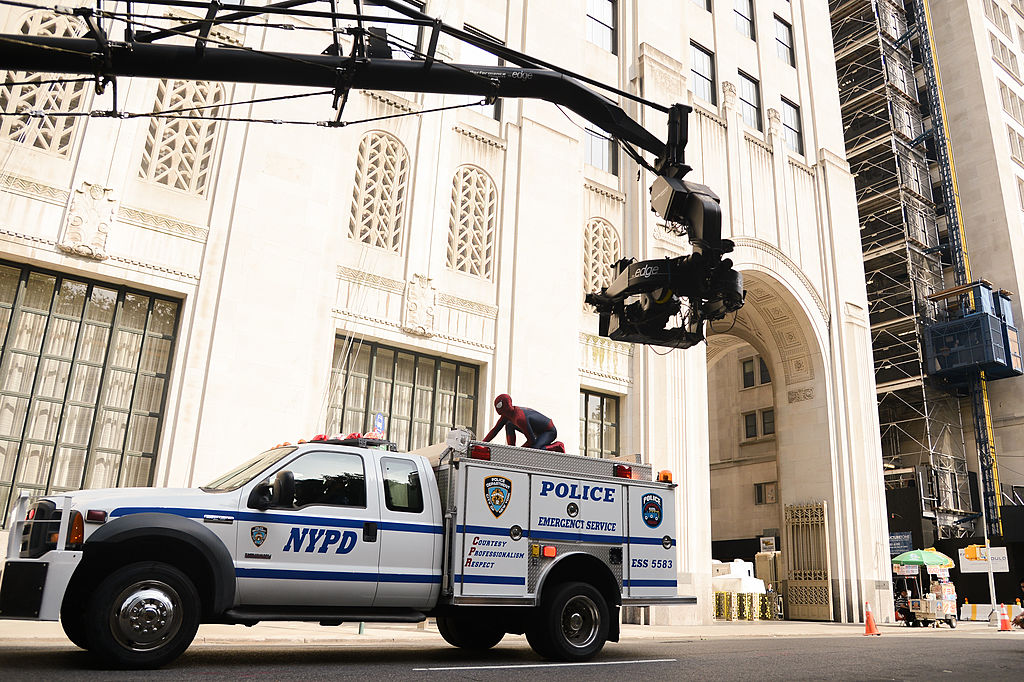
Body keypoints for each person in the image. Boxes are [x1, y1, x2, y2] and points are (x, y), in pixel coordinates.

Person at [482, 393, 558, 449]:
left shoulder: (520, 418)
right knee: (509, 424)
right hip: (536, 432)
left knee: (535, 448)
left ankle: (557, 446)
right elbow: (495, 430)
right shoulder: (506, 416)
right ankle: (511, 448)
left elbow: (531, 441)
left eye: (499, 406)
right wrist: (482, 443)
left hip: (548, 431)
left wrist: (519, 450)